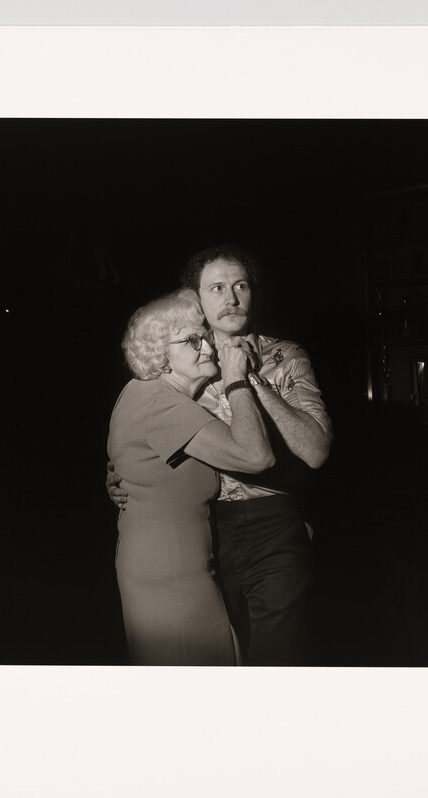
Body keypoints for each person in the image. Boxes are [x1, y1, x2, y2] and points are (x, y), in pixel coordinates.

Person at [108, 246, 333, 666]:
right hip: (209, 530)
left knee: (275, 659)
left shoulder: (284, 356)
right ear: (197, 299)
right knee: (224, 654)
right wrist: (127, 476)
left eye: (240, 285)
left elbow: (316, 452)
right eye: (216, 288)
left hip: (274, 522)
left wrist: (247, 378)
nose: (231, 298)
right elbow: (146, 431)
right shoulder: (182, 356)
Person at [107, 288, 274, 666]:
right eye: (192, 340)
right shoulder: (162, 403)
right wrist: (236, 380)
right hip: (171, 576)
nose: (209, 348)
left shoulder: (140, 393)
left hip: (162, 566)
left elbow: (135, 461)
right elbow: (257, 456)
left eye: (206, 337)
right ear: (160, 356)